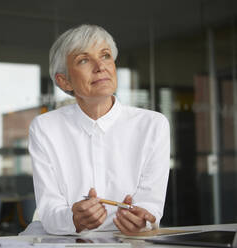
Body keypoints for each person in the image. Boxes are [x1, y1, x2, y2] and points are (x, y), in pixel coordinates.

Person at [28, 24, 170, 235]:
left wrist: (143, 219)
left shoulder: (153, 125)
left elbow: (151, 207)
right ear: (64, 81)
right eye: (83, 60)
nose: (100, 66)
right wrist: (73, 219)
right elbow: (50, 211)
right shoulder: (44, 128)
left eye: (105, 56)